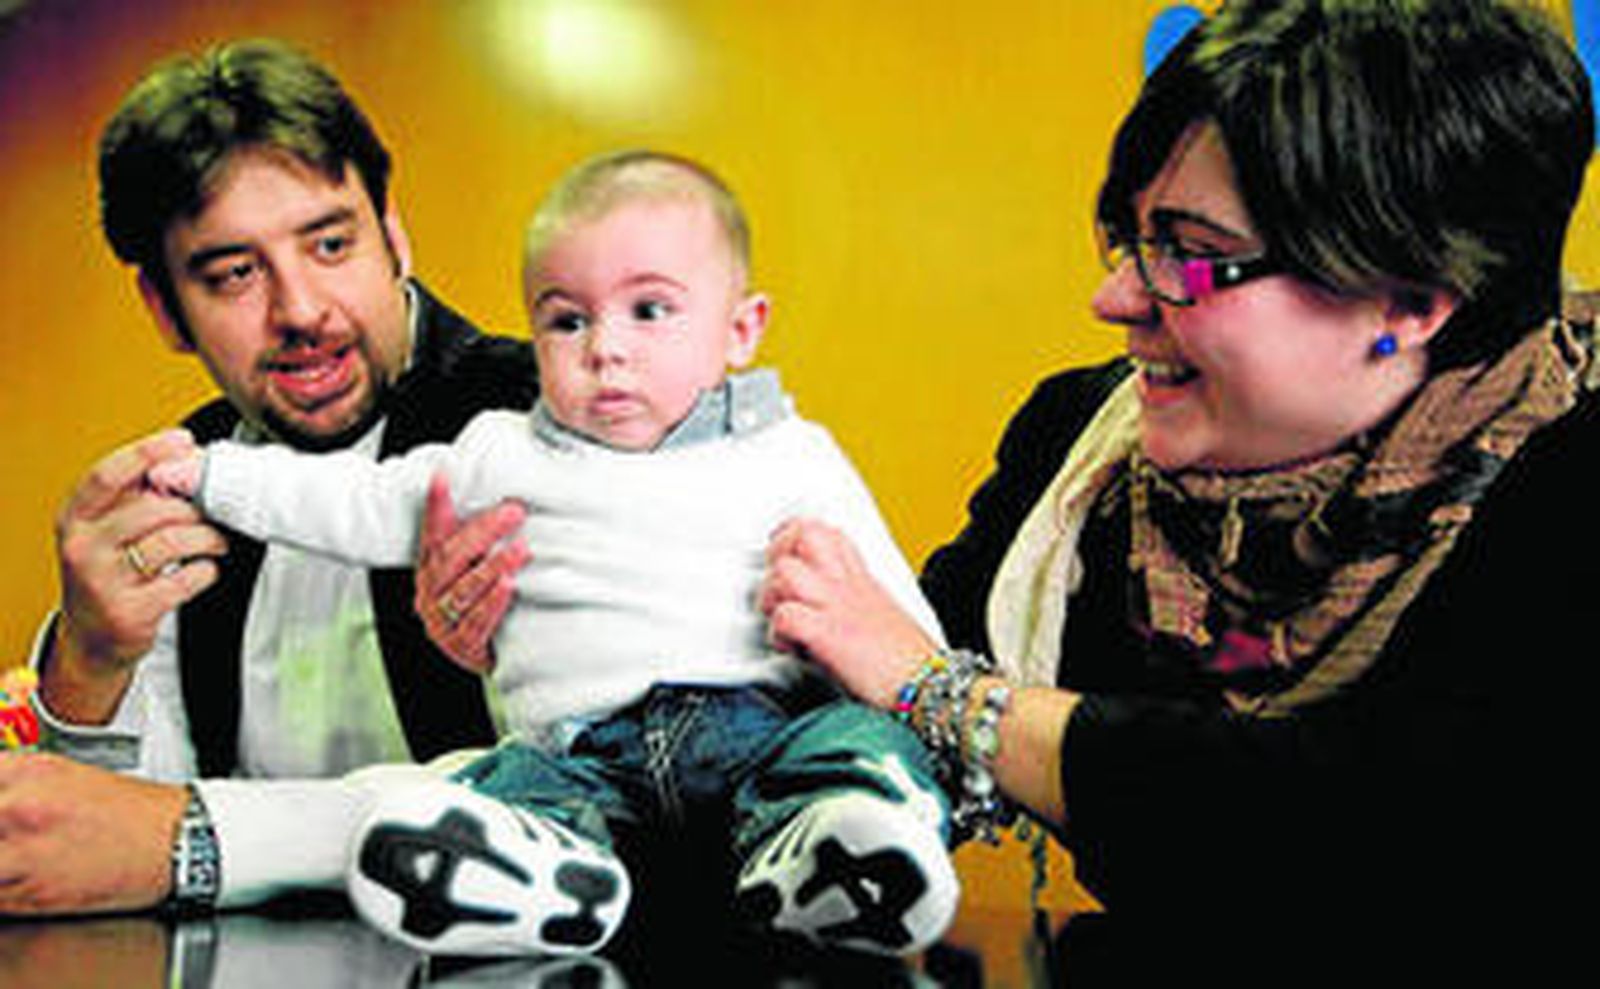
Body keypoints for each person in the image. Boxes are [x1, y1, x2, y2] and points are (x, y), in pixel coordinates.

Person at [759, 0, 1596, 962]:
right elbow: (851, 686)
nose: (1115, 297)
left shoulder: (1571, 480)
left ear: (1409, 300)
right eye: (1131, 238)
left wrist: (951, 698)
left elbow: (1388, 841)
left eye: (1193, 255)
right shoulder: (1081, 449)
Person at [145, 150, 960, 958]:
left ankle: (838, 846)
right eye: (568, 319)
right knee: (497, 784)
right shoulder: (499, 453)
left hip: (759, 734)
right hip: (583, 754)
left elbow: (893, 624)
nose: (605, 347)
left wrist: (923, 704)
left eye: (649, 311)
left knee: (854, 737)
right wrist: (211, 472)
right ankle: (535, 876)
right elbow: (351, 501)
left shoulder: (791, 453)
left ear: (740, 329)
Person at [1, 39, 534, 916]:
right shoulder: (172, 493)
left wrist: (203, 836)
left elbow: (611, 791)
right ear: (165, 309)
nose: (299, 311)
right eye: (234, 273)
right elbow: (103, 852)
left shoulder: (553, 428)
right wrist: (89, 666)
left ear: (393, 235)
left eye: (330, 243)